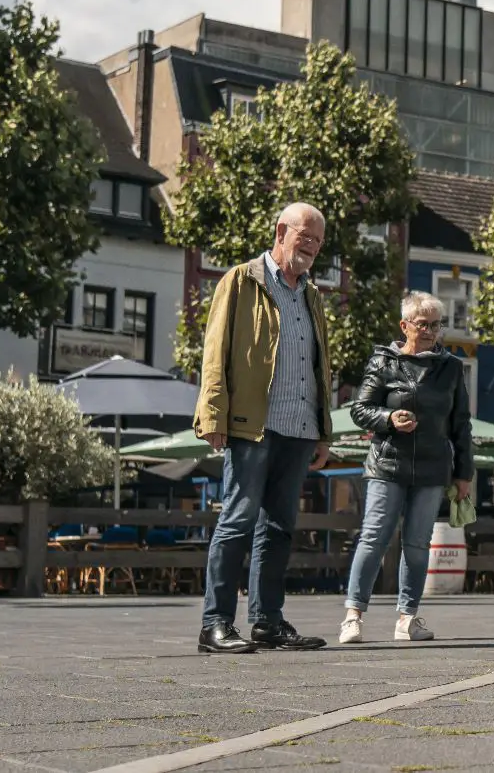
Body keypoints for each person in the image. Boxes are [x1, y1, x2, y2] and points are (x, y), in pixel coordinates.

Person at [194, 203, 333, 654]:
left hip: (299, 427)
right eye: (304, 236)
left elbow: (320, 367)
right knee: (237, 520)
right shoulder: (240, 281)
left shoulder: (312, 295)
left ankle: (267, 622)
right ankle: (215, 623)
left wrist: (323, 430)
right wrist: (212, 415)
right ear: (280, 231)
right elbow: (215, 352)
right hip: (251, 425)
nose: (311, 246)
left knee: (279, 528)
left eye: (317, 241)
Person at [341, 292, 476, 644]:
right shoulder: (384, 362)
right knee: (374, 537)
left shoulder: (451, 368)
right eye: (423, 324)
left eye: (436, 324)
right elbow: (359, 409)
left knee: (418, 544)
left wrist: (464, 473)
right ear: (405, 326)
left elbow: (461, 424)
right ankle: (353, 615)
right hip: (387, 463)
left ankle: (407, 617)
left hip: (433, 470)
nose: (431, 331)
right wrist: (388, 418)